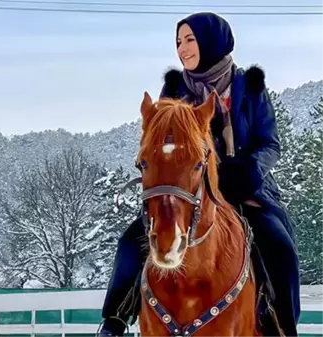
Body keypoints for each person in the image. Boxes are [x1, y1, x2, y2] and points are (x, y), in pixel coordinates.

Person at [98, 11, 300, 337]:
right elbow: (158, 144)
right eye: (178, 42)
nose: (182, 49)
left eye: (190, 40)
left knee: (279, 245)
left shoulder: (250, 88)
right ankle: (114, 321)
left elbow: (270, 144)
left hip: (245, 189)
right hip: (188, 191)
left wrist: (250, 169)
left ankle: (284, 327)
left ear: (212, 42)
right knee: (129, 242)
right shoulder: (173, 91)